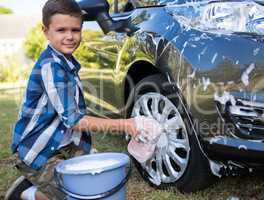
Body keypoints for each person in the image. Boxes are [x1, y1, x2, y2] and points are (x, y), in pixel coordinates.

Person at [4, 0, 160, 199]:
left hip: (64, 144)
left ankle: (43, 178)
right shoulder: (51, 67)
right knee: (76, 194)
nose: (69, 36)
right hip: (39, 150)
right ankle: (29, 192)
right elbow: (75, 121)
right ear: (46, 32)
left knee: (96, 178)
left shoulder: (68, 62)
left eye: (75, 30)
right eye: (61, 30)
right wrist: (128, 125)